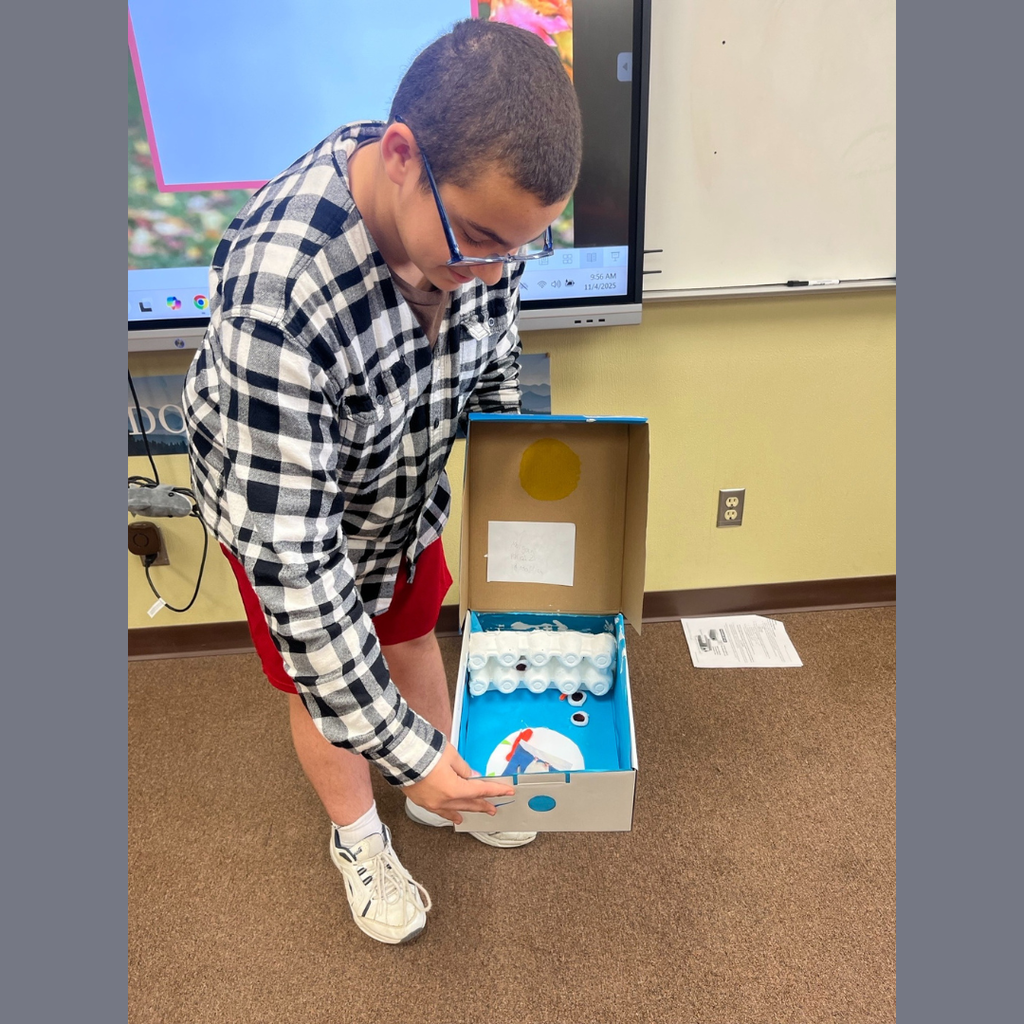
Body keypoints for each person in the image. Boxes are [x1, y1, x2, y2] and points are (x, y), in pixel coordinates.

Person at [182, 19, 582, 945]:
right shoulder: (280, 298)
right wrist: (404, 753)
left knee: (409, 631)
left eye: (520, 251)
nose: (494, 271)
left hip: (401, 484)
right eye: (481, 241)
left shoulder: (486, 232)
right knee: (324, 681)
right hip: (292, 521)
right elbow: (306, 578)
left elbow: (495, 356)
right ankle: (359, 834)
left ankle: (441, 788)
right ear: (400, 157)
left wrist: (519, 463)